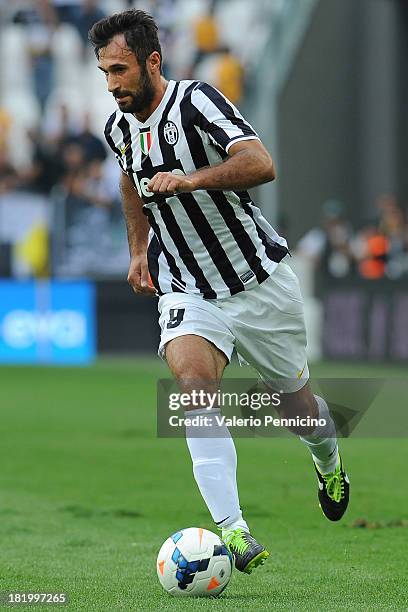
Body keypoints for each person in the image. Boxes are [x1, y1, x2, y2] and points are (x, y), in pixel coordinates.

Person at [89, 9, 350, 575]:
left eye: (120, 70)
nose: (111, 85)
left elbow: (261, 163)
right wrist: (139, 250)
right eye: (104, 72)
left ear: (152, 62)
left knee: (299, 409)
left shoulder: (197, 102)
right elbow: (132, 181)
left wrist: (190, 179)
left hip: (258, 283)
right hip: (189, 287)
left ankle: (328, 460)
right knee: (191, 386)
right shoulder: (117, 127)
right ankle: (233, 532)